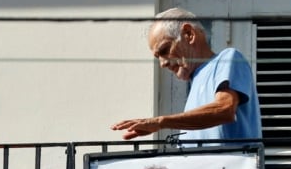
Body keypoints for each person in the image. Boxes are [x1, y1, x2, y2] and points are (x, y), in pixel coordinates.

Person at [111, 7, 262, 142]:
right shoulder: (195, 81)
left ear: (189, 34)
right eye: (158, 58)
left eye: (164, 50)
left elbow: (225, 109)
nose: (163, 63)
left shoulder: (228, 58)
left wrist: (160, 122)